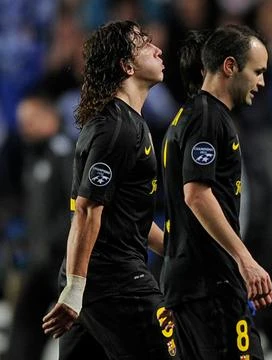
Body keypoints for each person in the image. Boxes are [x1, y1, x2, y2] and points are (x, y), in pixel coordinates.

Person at [41, 20, 169, 359]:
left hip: (94, 281)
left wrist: (176, 249)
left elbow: (129, 219)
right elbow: (86, 209)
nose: (158, 49)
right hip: (117, 283)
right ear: (127, 66)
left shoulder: (126, 123)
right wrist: (76, 288)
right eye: (144, 44)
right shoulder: (116, 128)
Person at [158, 25, 272, 360]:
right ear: (229, 67)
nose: (261, 82)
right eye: (257, 71)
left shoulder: (187, 116)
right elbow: (196, 194)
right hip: (210, 289)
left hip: (192, 285)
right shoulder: (210, 118)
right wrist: (245, 260)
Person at [6, 93, 73, 360]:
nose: (25, 127)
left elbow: (76, 208)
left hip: (63, 262)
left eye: (31, 120)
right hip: (41, 259)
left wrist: (52, 243)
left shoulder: (64, 153)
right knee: (23, 329)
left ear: (50, 118)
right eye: (22, 121)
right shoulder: (34, 155)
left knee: (79, 329)